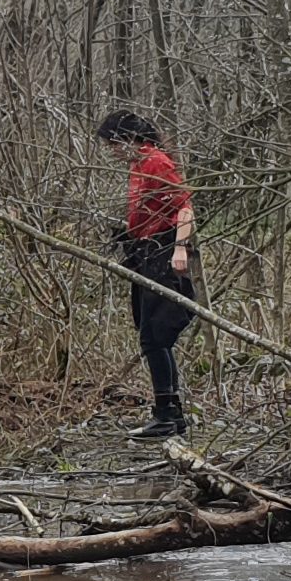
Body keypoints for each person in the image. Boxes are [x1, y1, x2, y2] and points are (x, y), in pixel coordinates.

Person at [100, 109, 196, 438]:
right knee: (150, 332)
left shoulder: (156, 162)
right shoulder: (137, 166)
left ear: (128, 138)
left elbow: (184, 207)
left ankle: (167, 414)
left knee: (155, 335)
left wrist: (180, 249)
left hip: (162, 251)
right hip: (144, 253)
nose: (112, 151)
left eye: (113, 144)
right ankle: (170, 412)